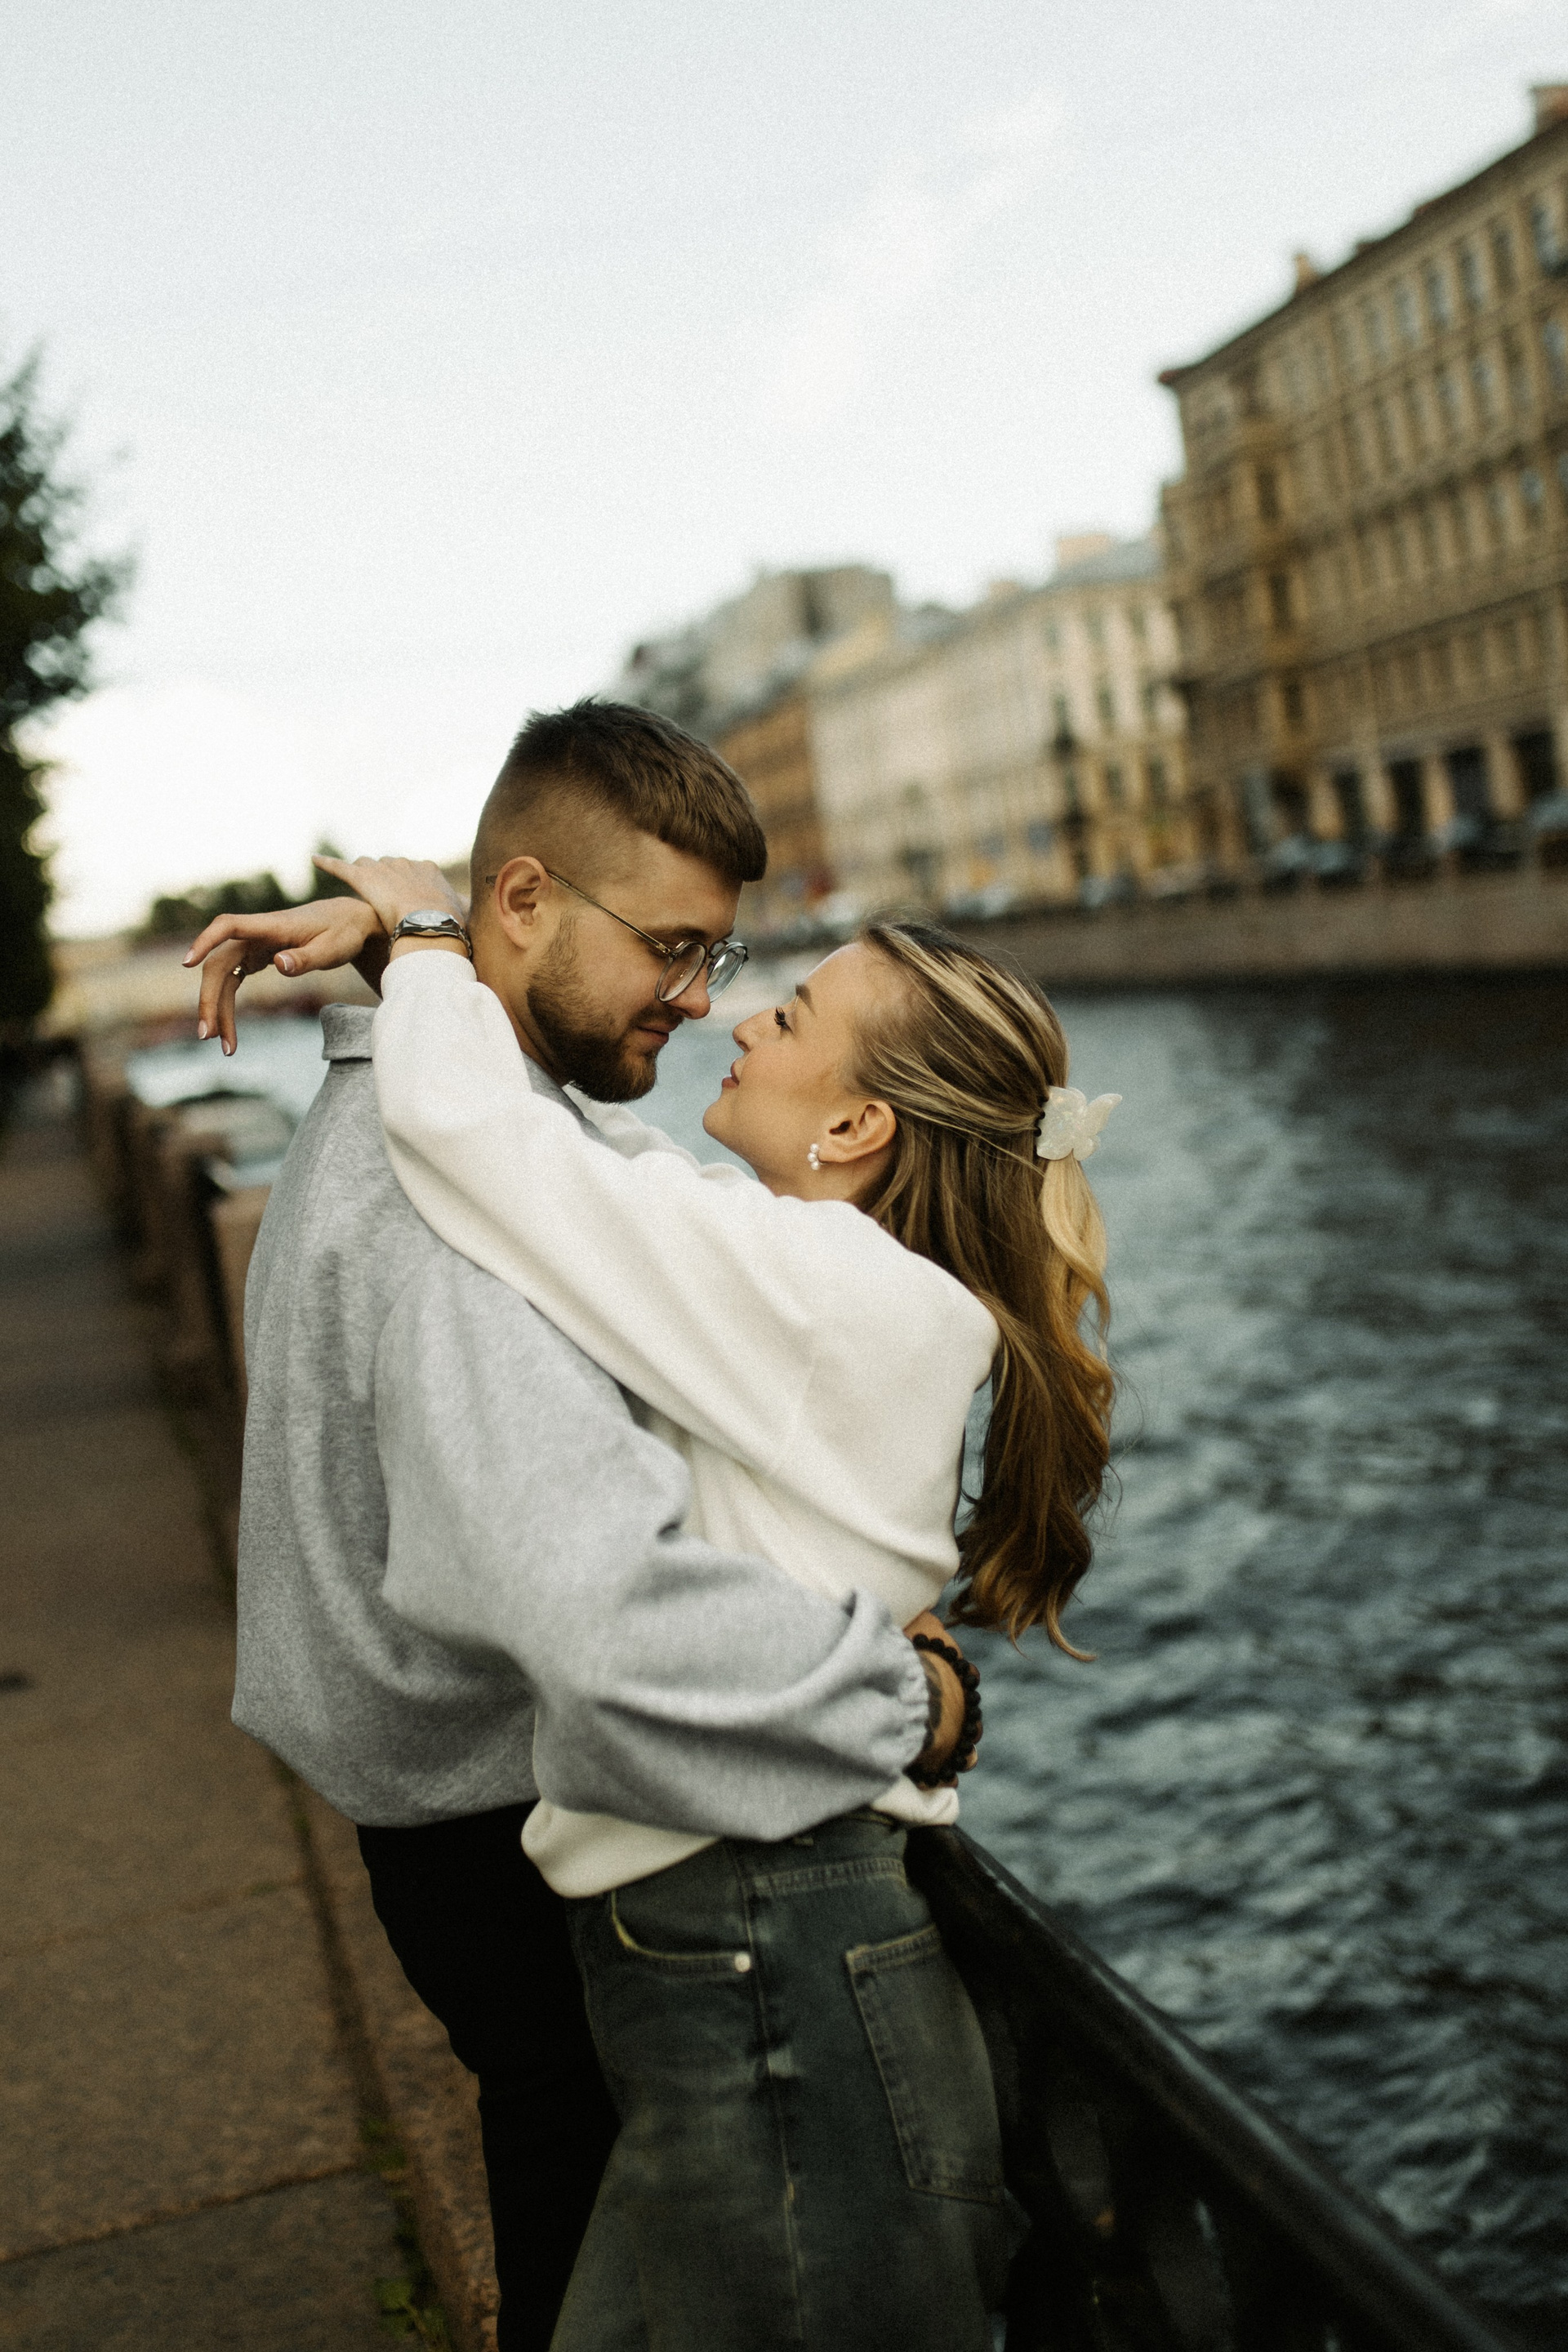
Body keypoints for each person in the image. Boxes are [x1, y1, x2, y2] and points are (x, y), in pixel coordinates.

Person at [195, 700, 1117, 2350]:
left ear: (858, 1127)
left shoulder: (797, 1272)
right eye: (679, 948)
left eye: (752, 978)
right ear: (531, 903)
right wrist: (913, 1703)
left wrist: (428, 946)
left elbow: (556, 1163)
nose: (715, 1004)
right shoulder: (525, 1218)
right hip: (631, 1875)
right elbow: (554, 1174)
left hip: (717, 1897)